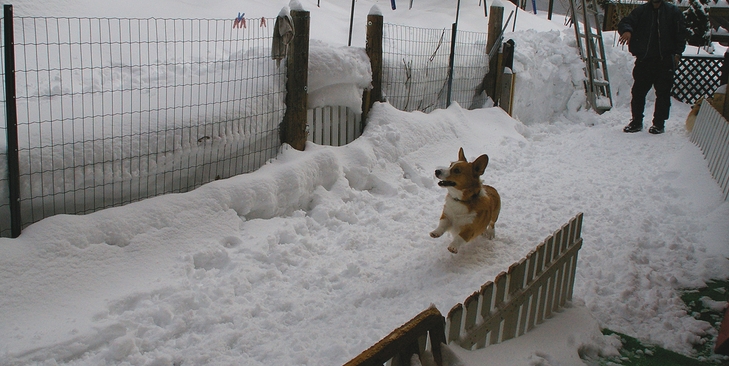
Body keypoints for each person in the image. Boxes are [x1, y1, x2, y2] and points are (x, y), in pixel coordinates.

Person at [618, 0, 687, 134]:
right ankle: (636, 121)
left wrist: (678, 53)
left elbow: (681, 34)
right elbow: (626, 22)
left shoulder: (673, 12)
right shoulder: (641, 11)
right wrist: (627, 31)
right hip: (644, 60)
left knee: (663, 94)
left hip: (665, 60)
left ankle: (659, 124)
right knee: (638, 92)